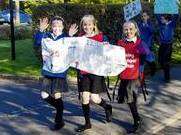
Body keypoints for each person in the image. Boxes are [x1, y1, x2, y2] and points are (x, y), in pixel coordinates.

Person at [34, 16, 78, 131]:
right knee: (44, 95)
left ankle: (59, 121)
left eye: (59, 26)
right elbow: (37, 42)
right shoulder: (47, 36)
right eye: (54, 26)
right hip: (48, 70)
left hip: (60, 72)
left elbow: (74, 48)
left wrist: (70, 36)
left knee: (57, 95)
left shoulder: (65, 37)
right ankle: (60, 108)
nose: (56, 28)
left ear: (63, 27)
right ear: (51, 26)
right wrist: (41, 30)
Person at [76, 14, 112, 132]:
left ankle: (107, 107)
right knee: (85, 98)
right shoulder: (80, 37)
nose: (87, 27)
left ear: (94, 25)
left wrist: (106, 48)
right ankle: (87, 124)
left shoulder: (101, 37)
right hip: (84, 72)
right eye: (84, 25)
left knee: (95, 98)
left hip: (96, 72)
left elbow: (108, 52)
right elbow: (73, 51)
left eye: (89, 24)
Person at [117, 21, 150, 133]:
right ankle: (132, 104)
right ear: (123, 31)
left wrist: (144, 54)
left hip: (136, 75)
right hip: (124, 75)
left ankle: (137, 120)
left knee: (129, 93)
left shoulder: (140, 43)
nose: (128, 31)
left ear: (136, 29)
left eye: (131, 29)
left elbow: (148, 57)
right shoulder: (120, 43)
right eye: (126, 29)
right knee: (125, 97)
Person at [156, 14, 179, 82]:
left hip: (168, 45)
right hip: (162, 45)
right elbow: (157, 15)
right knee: (160, 60)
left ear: (167, 20)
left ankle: (167, 78)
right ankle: (165, 67)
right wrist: (157, 4)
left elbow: (176, 16)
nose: (161, 20)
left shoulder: (172, 24)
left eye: (162, 19)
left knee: (166, 61)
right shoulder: (161, 24)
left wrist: (174, 6)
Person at [138, 11, 156, 77]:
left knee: (150, 60)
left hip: (148, 45)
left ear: (148, 17)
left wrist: (147, 25)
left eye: (145, 16)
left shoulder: (150, 24)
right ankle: (140, 74)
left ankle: (153, 69)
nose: (143, 17)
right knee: (141, 60)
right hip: (141, 45)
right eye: (142, 16)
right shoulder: (139, 24)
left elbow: (152, 31)